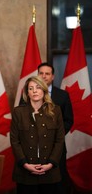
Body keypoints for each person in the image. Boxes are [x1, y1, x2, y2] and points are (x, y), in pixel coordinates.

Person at [10, 76, 65, 194]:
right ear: (27, 93)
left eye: (38, 87)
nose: (34, 91)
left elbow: (59, 140)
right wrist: (25, 164)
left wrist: (51, 164)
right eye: (31, 88)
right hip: (25, 172)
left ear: (44, 90)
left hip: (50, 172)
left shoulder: (56, 111)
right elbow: (15, 141)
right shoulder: (18, 112)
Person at [37, 62, 73, 194]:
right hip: (34, 146)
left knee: (58, 182)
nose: (44, 76)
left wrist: (57, 136)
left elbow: (68, 120)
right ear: (37, 75)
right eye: (41, 73)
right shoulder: (29, 94)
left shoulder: (62, 95)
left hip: (56, 146)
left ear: (52, 77)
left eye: (47, 74)